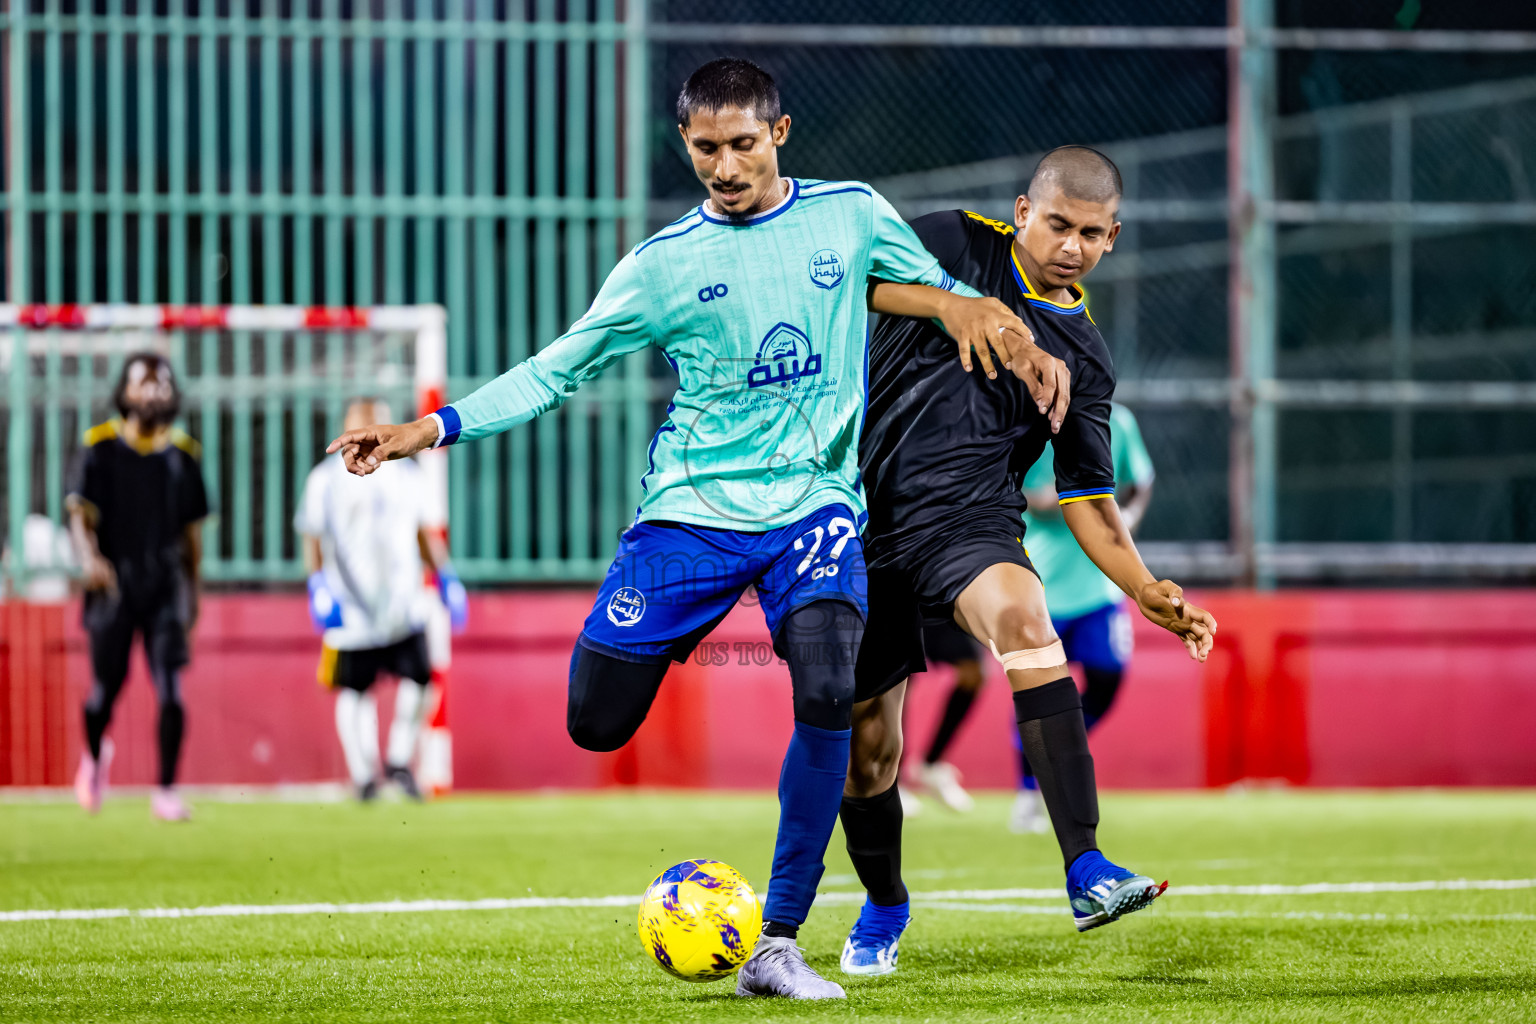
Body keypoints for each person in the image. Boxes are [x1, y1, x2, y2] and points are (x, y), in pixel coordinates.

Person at [325, 58, 1064, 999]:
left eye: (742, 144)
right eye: (706, 147)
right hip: (692, 515)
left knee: (830, 687)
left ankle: (779, 939)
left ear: (779, 135)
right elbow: (555, 369)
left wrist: (972, 306)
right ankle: (668, 657)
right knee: (597, 721)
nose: (724, 164)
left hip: (814, 506)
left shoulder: (848, 210)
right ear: (686, 143)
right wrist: (427, 428)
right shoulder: (661, 266)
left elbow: (900, 286)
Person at [838, 147, 1218, 976]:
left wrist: (1145, 586)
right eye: (1057, 224)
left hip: (970, 524)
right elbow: (847, 283)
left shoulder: (1086, 359)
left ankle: (1085, 869)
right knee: (870, 749)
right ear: (1021, 212)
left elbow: (1087, 497)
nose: (1070, 245)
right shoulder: (952, 242)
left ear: (1113, 238)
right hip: (858, 514)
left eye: (1090, 232)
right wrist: (959, 309)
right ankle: (883, 903)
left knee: (1026, 620)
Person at [295, 398, 467, 803]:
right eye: (362, 420)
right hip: (352, 604)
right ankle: (363, 774)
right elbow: (313, 536)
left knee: (421, 681)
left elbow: (423, 533)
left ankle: (399, 762)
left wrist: (444, 575)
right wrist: (318, 585)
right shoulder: (325, 479)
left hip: (403, 602)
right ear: (346, 426)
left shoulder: (408, 475)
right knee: (355, 689)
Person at [66, 352, 209, 822]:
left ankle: (166, 790)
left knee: (171, 692)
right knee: (104, 693)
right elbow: (79, 517)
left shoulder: (184, 455)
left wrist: (193, 597)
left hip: (165, 587)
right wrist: (90, 559)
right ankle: (94, 756)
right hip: (114, 587)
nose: (154, 392)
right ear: (124, 392)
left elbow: (192, 536)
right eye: (144, 383)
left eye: (163, 384)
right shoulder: (99, 447)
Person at [1011, 402, 1154, 834]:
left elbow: (1140, 481)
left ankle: (1064, 741)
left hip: (1099, 584)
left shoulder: (1117, 420)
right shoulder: (1028, 420)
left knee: (1108, 673)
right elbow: (1035, 501)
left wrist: (1123, 517)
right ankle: (1028, 788)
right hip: (1046, 583)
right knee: (1036, 691)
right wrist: (1088, 498)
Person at [900, 620, 989, 814]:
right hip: (899, 601)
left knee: (972, 673)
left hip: (939, 599)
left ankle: (930, 765)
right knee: (898, 677)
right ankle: (893, 780)